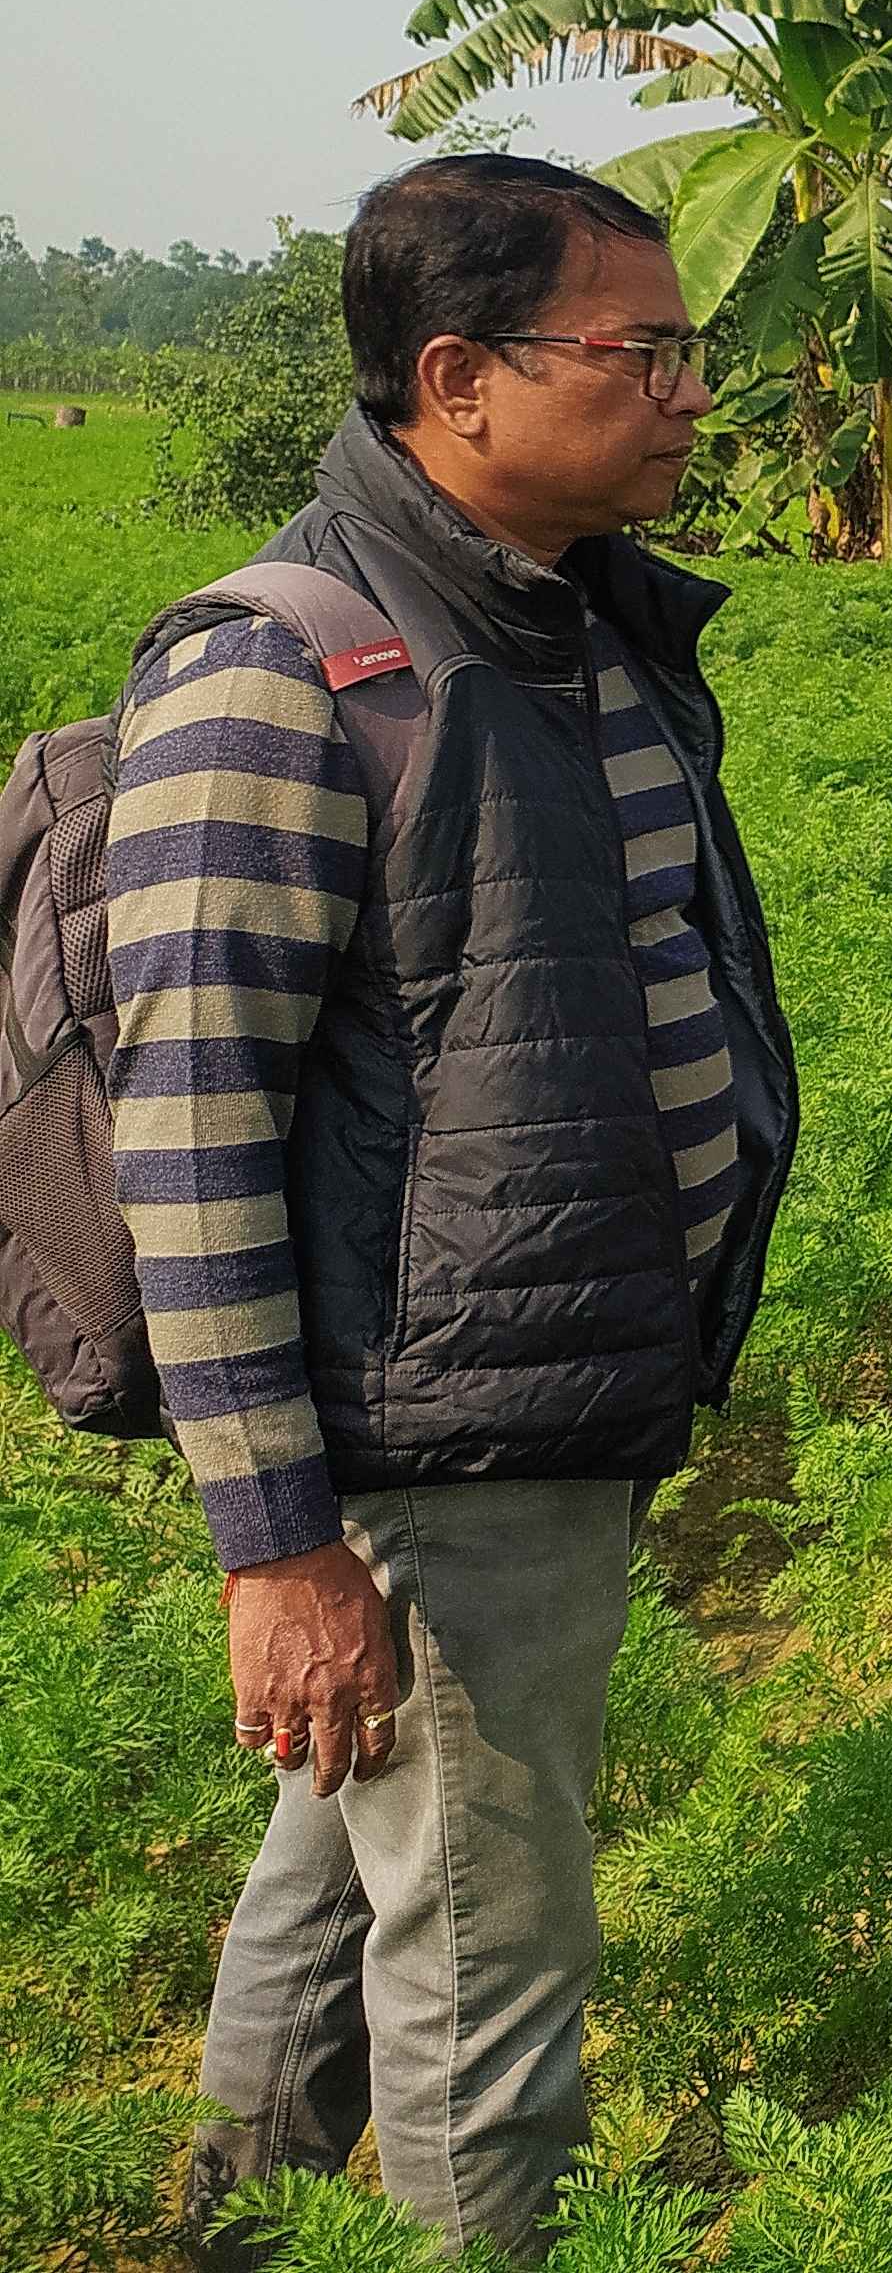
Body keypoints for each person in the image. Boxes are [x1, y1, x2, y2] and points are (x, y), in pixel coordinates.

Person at [123, 157, 798, 2264]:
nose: (690, 393)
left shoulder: (572, 625)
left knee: (348, 1867)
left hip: (545, 1376)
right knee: (489, 1959)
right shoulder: (286, 670)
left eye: (689, 348)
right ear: (458, 381)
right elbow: (189, 1130)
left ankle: (236, 2235)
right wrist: (277, 1542)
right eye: (641, 352)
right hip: (446, 1427)